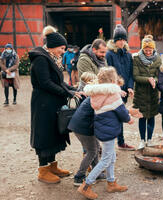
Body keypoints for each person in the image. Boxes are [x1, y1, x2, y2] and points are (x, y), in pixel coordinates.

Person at [29, 25, 82, 184]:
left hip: (52, 103)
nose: (63, 51)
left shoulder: (51, 58)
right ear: (52, 46)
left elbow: (58, 82)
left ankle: (52, 167)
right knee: (44, 135)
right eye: (62, 48)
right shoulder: (41, 59)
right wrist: (66, 93)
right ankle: (43, 171)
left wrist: (72, 89)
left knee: (52, 134)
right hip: (43, 104)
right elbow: (45, 83)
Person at [77, 67, 134, 200]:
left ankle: (111, 182)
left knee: (111, 157)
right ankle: (86, 185)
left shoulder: (97, 93)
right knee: (106, 159)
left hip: (102, 129)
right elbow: (123, 113)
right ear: (113, 80)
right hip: (109, 131)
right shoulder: (113, 95)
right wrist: (130, 119)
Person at [68, 72, 107, 186]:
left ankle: (96, 172)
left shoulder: (96, 95)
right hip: (83, 128)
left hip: (83, 126)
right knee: (92, 151)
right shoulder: (97, 98)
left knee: (95, 147)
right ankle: (79, 176)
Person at [106, 24, 135, 150]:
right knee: (113, 117)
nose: (121, 42)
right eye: (119, 40)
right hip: (114, 91)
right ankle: (114, 143)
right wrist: (116, 88)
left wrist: (129, 87)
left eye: (123, 39)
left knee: (120, 115)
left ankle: (121, 142)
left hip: (124, 91)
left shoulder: (128, 55)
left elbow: (130, 73)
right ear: (114, 41)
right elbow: (109, 74)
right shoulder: (109, 54)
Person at [133, 35, 161, 149]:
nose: (148, 52)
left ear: (153, 49)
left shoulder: (158, 59)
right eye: (146, 50)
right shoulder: (136, 59)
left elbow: (159, 76)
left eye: (150, 50)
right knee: (142, 117)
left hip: (153, 93)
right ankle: (142, 140)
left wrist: (155, 80)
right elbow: (135, 76)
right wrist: (148, 79)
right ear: (142, 49)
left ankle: (149, 139)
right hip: (141, 93)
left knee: (151, 116)